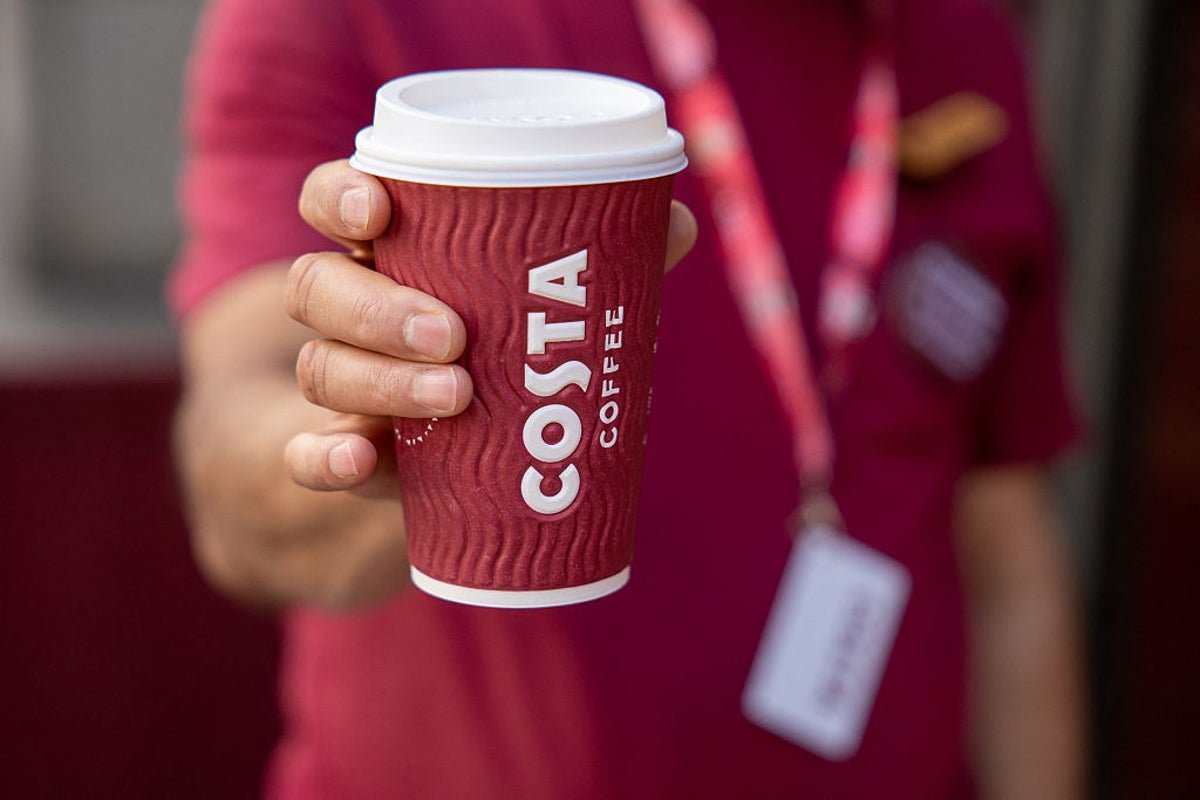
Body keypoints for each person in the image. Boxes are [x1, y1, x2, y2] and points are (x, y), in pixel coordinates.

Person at [171, 0, 1086, 797]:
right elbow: (239, 474)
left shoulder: (959, 38)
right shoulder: (349, 11)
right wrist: (374, 434)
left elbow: (1005, 557)